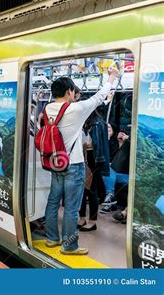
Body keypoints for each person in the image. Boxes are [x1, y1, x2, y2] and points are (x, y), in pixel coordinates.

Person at [44, 68, 117, 255]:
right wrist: (111, 77)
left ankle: (52, 238)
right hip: (73, 164)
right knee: (72, 207)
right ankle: (69, 246)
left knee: (53, 200)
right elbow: (98, 98)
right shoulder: (75, 109)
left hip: (55, 161)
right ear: (69, 92)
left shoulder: (47, 108)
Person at [100, 131, 130, 214]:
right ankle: (110, 197)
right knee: (107, 170)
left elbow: (117, 163)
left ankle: (110, 197)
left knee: (108, 170)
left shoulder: (130, 145)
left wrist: (126, 140)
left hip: (129, 176)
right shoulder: (117, 145)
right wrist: (120, 143)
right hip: (117, 174)